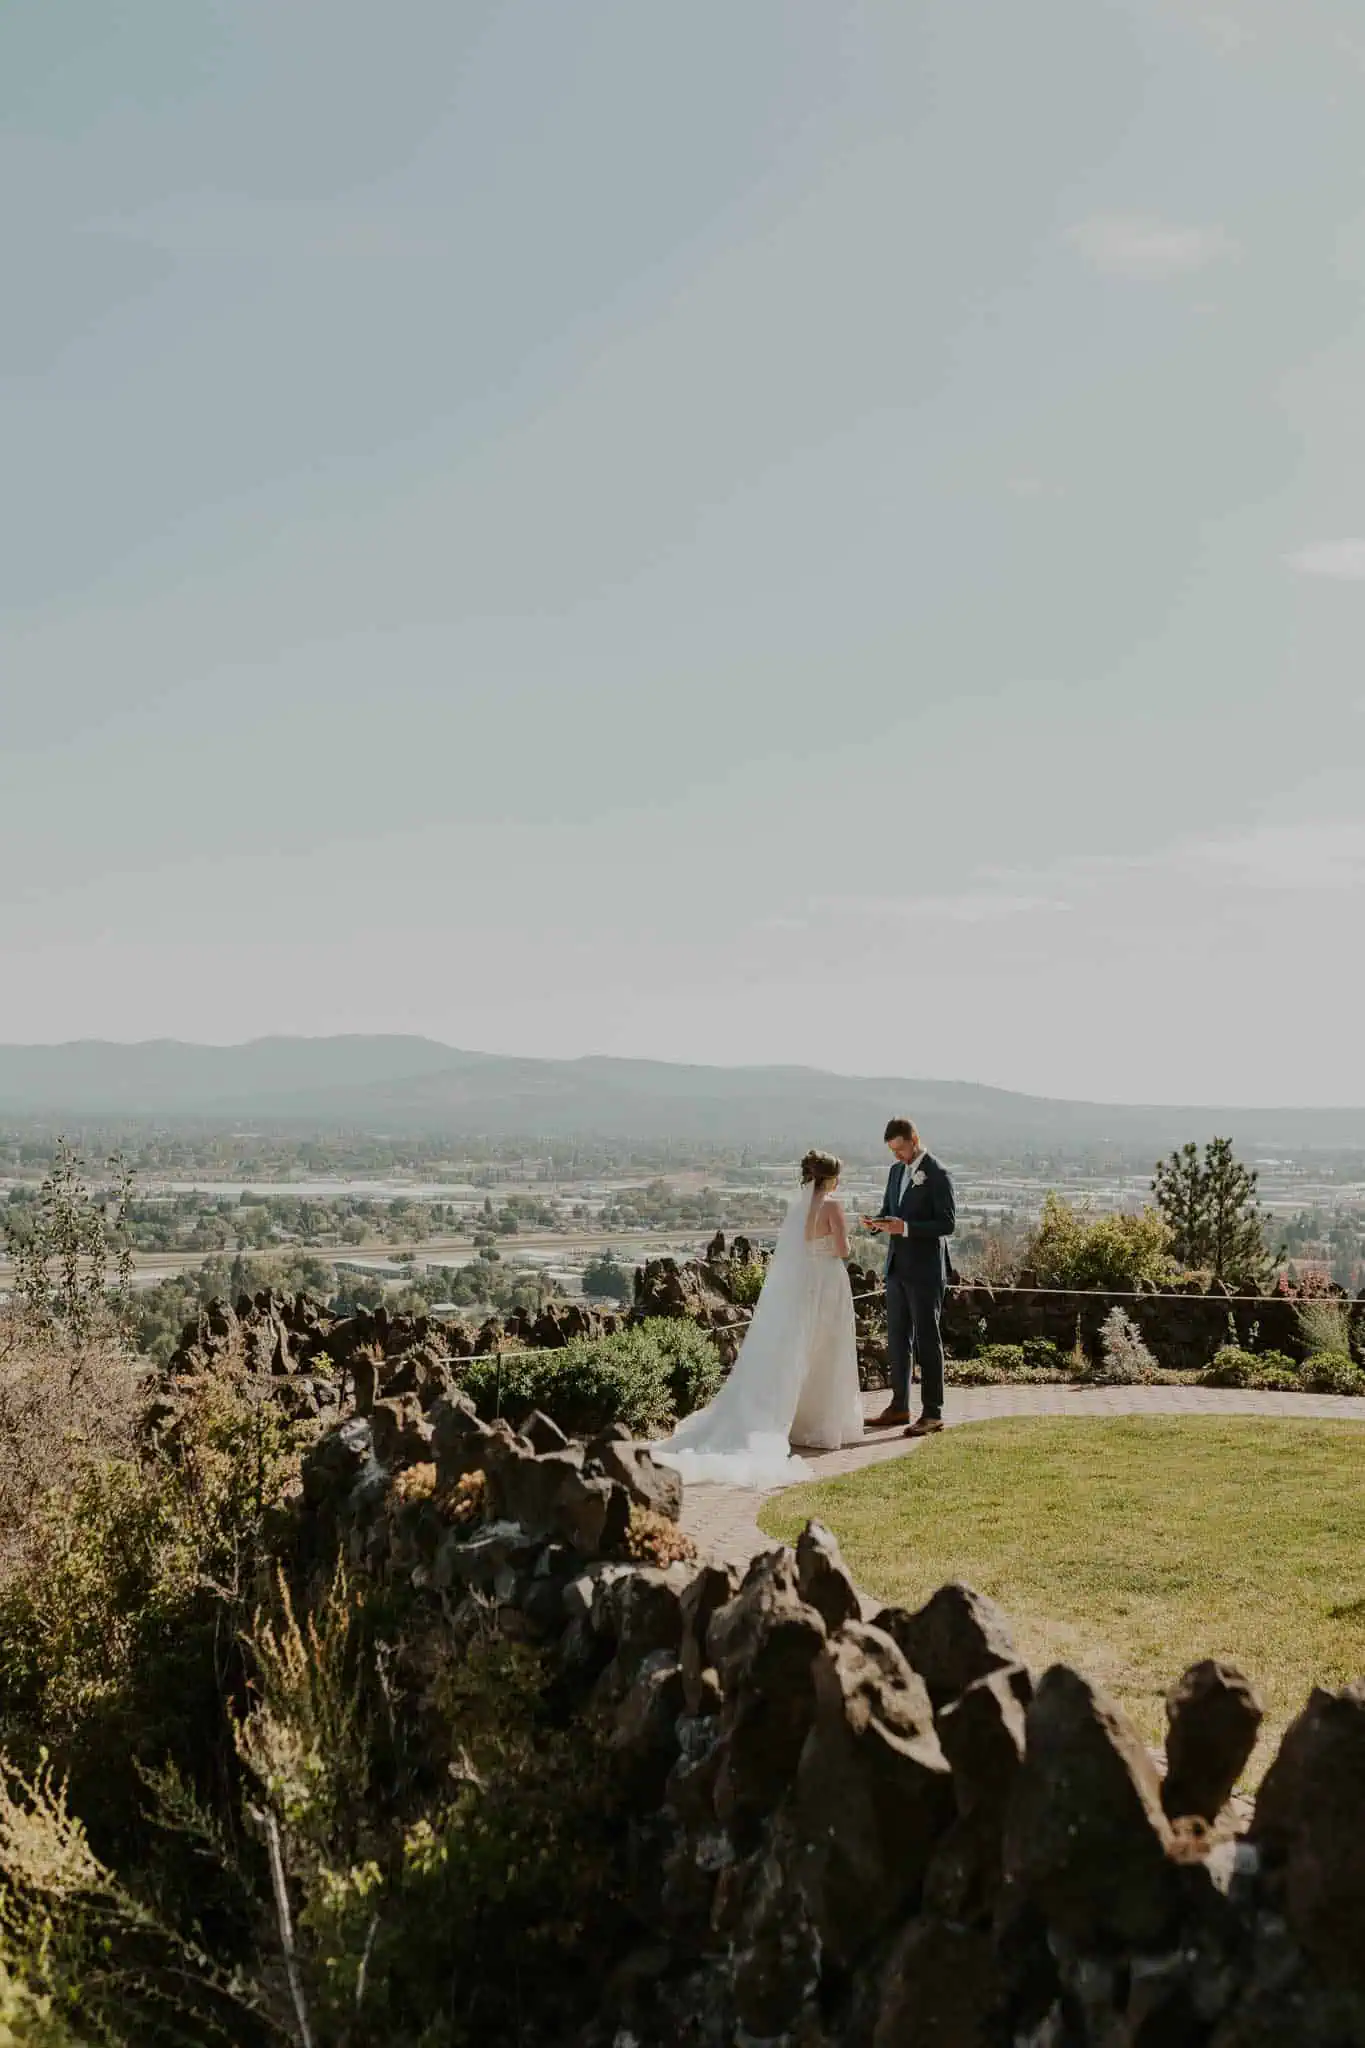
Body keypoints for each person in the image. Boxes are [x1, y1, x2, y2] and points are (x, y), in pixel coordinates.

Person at [652, 1149, 865, 1487]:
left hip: (803, 1284)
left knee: (800, 1349)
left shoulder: (799, 1208)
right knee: (829, 1348)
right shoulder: (832, 1206)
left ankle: (797, 1421)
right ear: (830, 1178)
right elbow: (842, 1250)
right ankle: (823, 1424)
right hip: (828, 1282)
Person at [862, 1117, 956, 1437]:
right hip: (896, 1268)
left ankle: (933, 1413)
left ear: (914, 1139)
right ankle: (899, 1406)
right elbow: (891, 1209)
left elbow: (947, 1224)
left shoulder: (937, 1174)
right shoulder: (895, 1173)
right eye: (893, 1151)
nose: (897, 1156)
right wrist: (878, 1223)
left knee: (928, 1340)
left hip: (926, 1270)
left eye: (900, 1149)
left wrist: (907, 1228)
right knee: (897, 1340)